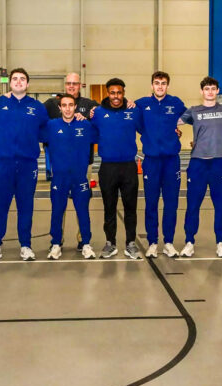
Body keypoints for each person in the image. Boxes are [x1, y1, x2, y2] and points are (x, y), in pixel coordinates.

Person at [0, 68, 49, 262]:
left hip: (28, 164)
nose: (19, 81)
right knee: (0, 206)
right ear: (9, 83)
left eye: (22, 79)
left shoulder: (37, 107)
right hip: (3, 163)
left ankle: (26, 245)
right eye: (15, 79)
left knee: (25, 206)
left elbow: (46, 131)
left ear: (28, 84)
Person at [134, 71, 186, 258]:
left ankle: (169, 242)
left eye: (163, 83)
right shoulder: (141, 104)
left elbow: (189, 116)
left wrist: (176, 128)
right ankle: (153, 242)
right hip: (152, 161)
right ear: (151, 85)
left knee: (171, 203)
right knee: (151, 203)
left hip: (172, 160)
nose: (160, 86)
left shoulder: (176, 102)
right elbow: (134, 120)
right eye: (157, 83)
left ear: (168, 86)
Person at [178, 76, 222, 258]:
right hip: (198, 163)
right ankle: (189, 242)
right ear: (201, 91)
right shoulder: (193, 111)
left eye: (213, 88)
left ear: (217, 91)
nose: (209, 92)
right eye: (206, 88)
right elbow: (173, 122)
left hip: (218, 163)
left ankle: (221, 243)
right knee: (193, 205)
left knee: (221, 206)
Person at [91, 78, 143, 259]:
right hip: (108, 168)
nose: (116, 96)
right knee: (109, 207)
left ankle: (130, 243)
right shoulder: (97, 113)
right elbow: (86, 129)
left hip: (128, 166)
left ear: (123, 93)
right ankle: (110, 243)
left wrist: (173, 130)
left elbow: (149, 129)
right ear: (107, 93)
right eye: (112, 93)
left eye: (119, 92)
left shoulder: (133, 111)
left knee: (130, 207)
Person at [41, 94, 98, 260]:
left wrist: (93, 113)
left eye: (70, 105)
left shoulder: (85, 125)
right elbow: (30, 128)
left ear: (75, 107)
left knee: (83, 211)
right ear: (59, 108)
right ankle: (56, 244)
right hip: (59, 178)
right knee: (57, 211)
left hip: (80, 177)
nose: (67, 108)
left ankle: (86, 243)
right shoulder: (51, 126)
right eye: (64, 105)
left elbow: (104, 126)